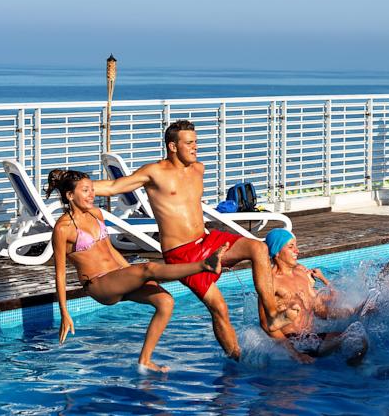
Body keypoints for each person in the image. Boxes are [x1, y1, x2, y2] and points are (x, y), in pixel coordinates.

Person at [92, 120, 295, 360]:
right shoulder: (154, 172)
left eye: (196, 142)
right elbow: (114, 186)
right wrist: (79, 188)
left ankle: (271, 314)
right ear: (173, 146)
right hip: (182, 253)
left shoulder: (199, 169)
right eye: (189, 143)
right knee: (219, 308)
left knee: (258, 248)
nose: (195, 147)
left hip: (207, 239)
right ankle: (236, 360)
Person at [48, 168, 225, 373]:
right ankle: (204, 265)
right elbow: (59, 273)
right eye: (86, 190)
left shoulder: (96, 214)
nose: (92, 194)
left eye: (92, 189)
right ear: (70, 196)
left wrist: (131, 273)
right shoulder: (63, 228)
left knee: (165, 302)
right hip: (98, 284)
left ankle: (145, 361)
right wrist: (64, 312)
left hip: (118, 277)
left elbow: (110, 250)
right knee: (148, 268)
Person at [259, 228, 367, 365]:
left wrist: (351, 312)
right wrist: (296, 355)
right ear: (277, 251)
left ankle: (355, 370)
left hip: (311, 338)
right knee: (353, 341)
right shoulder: (270, 282)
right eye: (291, 247)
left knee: (359, 340)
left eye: (296, 246)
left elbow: (318, 309)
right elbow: (266, 324)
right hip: (292, 343)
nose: (297, 251)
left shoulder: (301, 273)